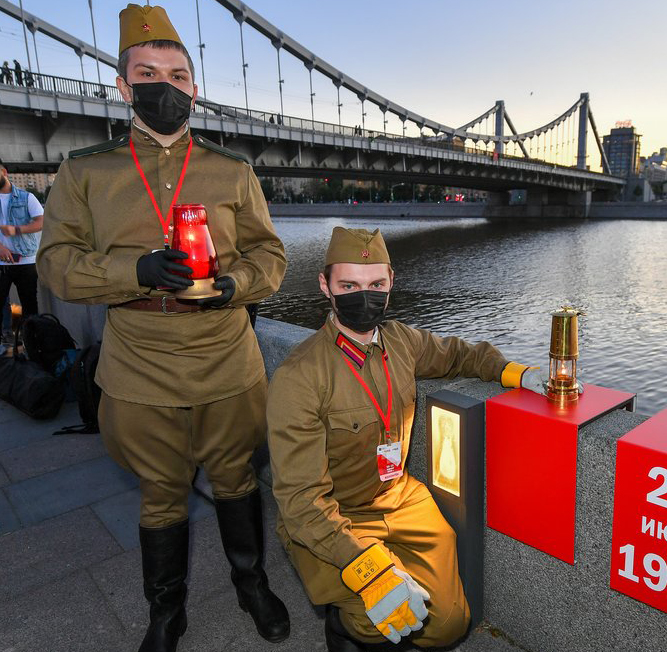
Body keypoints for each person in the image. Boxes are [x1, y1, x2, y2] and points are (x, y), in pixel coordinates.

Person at [36, 5, 289, 652]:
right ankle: (165, 613)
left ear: (195, 88)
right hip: (139, 359)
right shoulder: (84, 171)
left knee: (235, 480)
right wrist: (137, 270)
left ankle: (251, 583)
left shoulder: (233, 169)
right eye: (147, 73)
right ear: (124, 87)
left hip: (227, 357)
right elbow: (56, 265)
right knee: (161, 492)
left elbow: (270, 256)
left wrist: (234, 285)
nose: (165, 86)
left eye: (178, 74)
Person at [267, 227, 546, 651]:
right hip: (332, 517)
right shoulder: (299, 378)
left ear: (392, 283)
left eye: (376, 284)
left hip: (399, 498)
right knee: (382, 614)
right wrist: (368, 569)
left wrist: (515, 373)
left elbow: (458, 355)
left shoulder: (402, 341)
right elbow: (301, 502)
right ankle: (343, 627)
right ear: (325, 286)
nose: (365, 296)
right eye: (349, 286)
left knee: (449, 623)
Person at [0, 159, 44, 334]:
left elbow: (41, 222)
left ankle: (32, 346)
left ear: (4, 172)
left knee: (30, 309)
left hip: (26, 262)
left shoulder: (27, 197)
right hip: (1, 264)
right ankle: (4, 347)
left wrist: (16, 230)